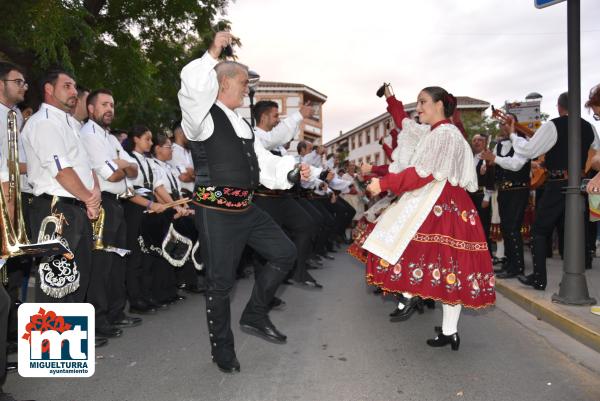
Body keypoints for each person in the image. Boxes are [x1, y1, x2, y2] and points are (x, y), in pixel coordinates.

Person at [178, 31, 313, 373]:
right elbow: (192, 88)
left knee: (285, 253)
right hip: (216, 212)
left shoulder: (242, 125)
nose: (247, 89)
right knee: (220, 284)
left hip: (246, 209)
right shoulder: (201, 118)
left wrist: (293, 173)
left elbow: (264, 165)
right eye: (242, 82)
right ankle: (222, 349)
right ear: (222, 84)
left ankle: (254, 313)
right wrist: (213, 52)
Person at [363, 86, 495, 350]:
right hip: (450, 205)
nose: (418, 108)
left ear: (439, 105)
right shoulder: (433, 132)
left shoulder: (444, 134)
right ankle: (449, 331)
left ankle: (409, 294)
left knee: (406, 245)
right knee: (450, 268)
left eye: (423, 102)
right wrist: (391, 99)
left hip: (439, 203)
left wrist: (385, 183)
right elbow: (404, 122)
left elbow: (422, 173)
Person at [21, 68, 101, 303]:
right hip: (55, 211)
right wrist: (89, 198)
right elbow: (61, 170)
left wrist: (93, 196)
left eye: (75, 87)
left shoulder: (71, 124)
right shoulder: (43, 122)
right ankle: (52, 340)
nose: (74, 92)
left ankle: (71, 339)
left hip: (77, 207)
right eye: (67, 86)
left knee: (79, 280)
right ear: (49, 89)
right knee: (57, 283)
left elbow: (86, 166)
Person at [512, 92, 595, 290]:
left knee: (539, 231)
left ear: (559, 107)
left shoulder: (552, 125)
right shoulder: (589, 126)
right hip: (579, 186)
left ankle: (539, 278)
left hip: (558, 184)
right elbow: (595, 153)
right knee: (574, 231)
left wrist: (514, 137)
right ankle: (576, 276)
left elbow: (529, 151)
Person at [80, 88, 142, 340]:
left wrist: (122, 164)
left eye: (112, 105)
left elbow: (134, 169)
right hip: (102, 203)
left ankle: (116, 312)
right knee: (101, 265)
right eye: (104, 104)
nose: (110, 110)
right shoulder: (89, 135)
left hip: (118, 203)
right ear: (91, 108)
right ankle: (98, 319)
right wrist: (122, 165)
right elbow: (112, 175)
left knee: (117, 262)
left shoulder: (111, 138)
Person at [480, 116, 531, 279]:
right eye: (502, 124)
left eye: (507, 124)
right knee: (505, 228)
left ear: (515, 125)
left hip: (518, 190)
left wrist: (494, 159)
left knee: (512, 228)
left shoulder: (523, 143)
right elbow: (494, 164)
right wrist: (487, 164)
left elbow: (515, 164)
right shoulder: (499, 144)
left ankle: (518, 267)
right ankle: (510, 263)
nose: (504, 126)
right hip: (503, 191)